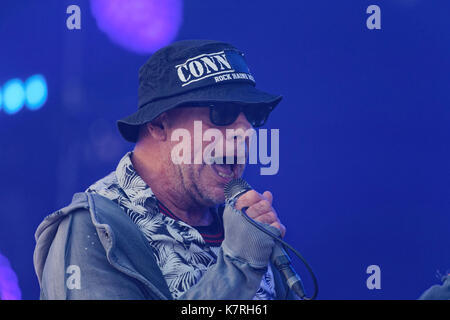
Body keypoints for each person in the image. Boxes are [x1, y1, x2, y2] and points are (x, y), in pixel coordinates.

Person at [33, 40, 297, 300]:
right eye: (222, 112)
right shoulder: (93, 227)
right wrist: (239, 266)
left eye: (254, 116)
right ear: (160, 125)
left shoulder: (242, 228)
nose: (246, 131)